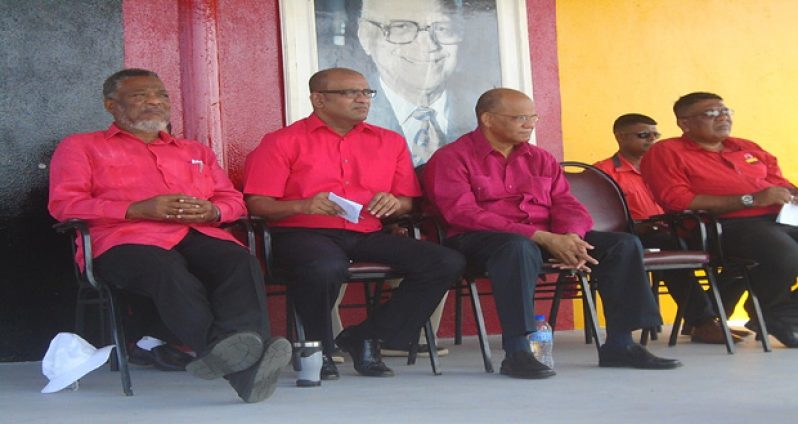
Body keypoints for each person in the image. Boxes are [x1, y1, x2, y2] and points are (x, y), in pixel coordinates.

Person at [48, 68, 291, 403]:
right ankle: (243, 362)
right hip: (122, 241)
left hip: (195, 233)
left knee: (238, 260)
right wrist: (136, 209)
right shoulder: (81, 147)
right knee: (167, 270)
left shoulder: (195, 150)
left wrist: (213, 212)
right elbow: (65, 205)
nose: (154, 101)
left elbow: (232, 200)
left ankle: (239, 358)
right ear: (110, 105)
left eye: (161, 95)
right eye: (139, 95)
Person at [423, 88, 682, 379]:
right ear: (488, 119)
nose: (530, 124)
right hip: (478, 240)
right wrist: (542, 237)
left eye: (533, 117)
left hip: (544, 237)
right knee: (517, 248)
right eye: (521, 117)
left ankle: (621, 345)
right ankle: (518, 351)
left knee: (623, 244)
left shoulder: (540, 158)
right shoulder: (452, 158)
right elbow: (462, 213)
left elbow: (567, 203)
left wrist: (570, 237)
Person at [243, 67, 464, 379]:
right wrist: (303, 204)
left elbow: (407, 201)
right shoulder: (282, 142)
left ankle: (366, 336)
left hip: (366, 231)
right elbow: (258, 205)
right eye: (350, 93)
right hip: (303, 232)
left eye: (366, 92)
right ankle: (319, 347)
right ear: (318, 99)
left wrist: (394, 203)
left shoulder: (389, 142)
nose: (363, 99)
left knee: (445, 261)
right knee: (324, 266)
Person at [641, 91, 798, 348]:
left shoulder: (748, 147)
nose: (722, 117)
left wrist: (792, 194)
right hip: (722, 226)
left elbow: (780, 184)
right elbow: (678, 200)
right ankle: (772, 312)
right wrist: (751, 199)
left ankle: (779, 313)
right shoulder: (667, 151)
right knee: (786, 254)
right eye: (711, 113)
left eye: (726, 111)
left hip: (780, 218)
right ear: (685, 123)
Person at [594, 113, 745, 344]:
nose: (652, 140)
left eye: (656, 135)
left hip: (678, 228)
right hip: (634, 236)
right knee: (668, 244)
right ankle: (703, 321)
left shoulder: (665, 167)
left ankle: (712, 319)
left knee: (741, 247)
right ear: (621, 137)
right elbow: (597, 218)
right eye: (644, 135)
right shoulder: (602, 172)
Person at [355, 0, 484, 165]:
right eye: (402, 27)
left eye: (441, 28)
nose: (428, 46)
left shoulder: (485, 111)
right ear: (366, 36)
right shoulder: (344, 118)